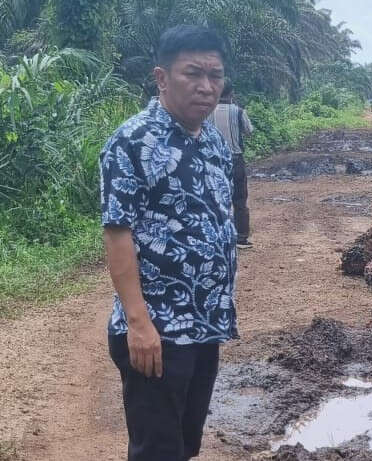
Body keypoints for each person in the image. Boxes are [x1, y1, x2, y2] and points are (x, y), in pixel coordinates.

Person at [99, 25, 238, 460]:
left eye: (215, 75)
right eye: (192, 73)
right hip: (156, 332)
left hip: (204, 325)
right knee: (156, 451)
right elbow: (117, 232)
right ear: (161, 78)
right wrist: (140, 325)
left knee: (183, 446)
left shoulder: (212, 139)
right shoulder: (132, 142)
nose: (206, 86)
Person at [207, 78, 254, 249]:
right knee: (240, 199)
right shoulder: (239, 111)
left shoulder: (207, 111)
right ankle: (241, 237)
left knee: (215, 199)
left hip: (214, 160)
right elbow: (249, 131)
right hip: (235, 159)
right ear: (232, 93)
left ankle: (217, 236)